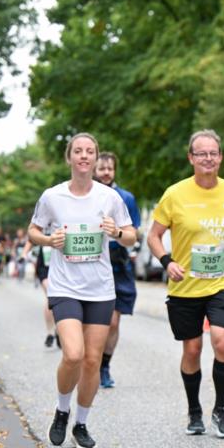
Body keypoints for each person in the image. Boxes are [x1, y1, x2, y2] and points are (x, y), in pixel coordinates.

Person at [28, 132, 137, 448]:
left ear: (95, 157)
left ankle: (81, 424)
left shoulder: (109, 198)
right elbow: (33, 230)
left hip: (101, 289)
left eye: (90, 151)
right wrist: (50, 241)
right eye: (78, 151)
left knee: (92, 361)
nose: (84, 156)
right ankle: (62, 411)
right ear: (69, 158)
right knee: (73, 354)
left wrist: (115, 231)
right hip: (65, 287)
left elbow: (130, 235)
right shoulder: (53, 197)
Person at [147, 129, 224, 438]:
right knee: (192, 349)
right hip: (185, 286)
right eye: (201, 153)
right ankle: (194, 410)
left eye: (213, 153)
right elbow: (153, 236)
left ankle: (221, 409)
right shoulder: (175, 194)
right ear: (191, 158)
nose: (208, 158)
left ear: (220, 157)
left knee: (222, 341)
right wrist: (167, 262)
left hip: (223, 282)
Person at [94, 152, 142, 389]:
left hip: (117, 264)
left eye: (109, 169)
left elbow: (135, 231)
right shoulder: (85, 196)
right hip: (90, 264)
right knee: (92, 321)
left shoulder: (126, 198)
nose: (105, 173)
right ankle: (88, 361)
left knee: (112, 322)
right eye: (101, 168)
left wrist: (120, 235)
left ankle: (103, 365)